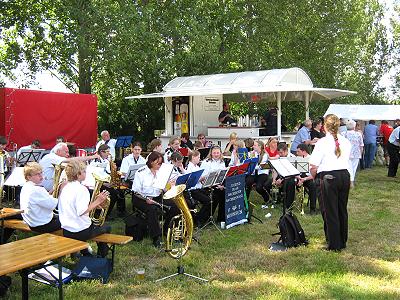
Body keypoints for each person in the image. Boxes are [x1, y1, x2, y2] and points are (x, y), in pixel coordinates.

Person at [309, 114, 351, 251]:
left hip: (328, 177)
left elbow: (313, 165)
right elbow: (348, 161)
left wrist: (314, 176)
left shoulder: (322, 142)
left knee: (329, 211)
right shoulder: (346, 141)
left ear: (324, 126)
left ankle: (334, 244)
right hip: (344, 176)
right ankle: (342, 240)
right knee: (341, 210)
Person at [58, 160, 111, 257]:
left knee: (92, 224)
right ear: (78, 174)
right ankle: (101, 255)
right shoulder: (81, 189)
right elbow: (81, 212)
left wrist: (95, 204)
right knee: (107, 227)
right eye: (84, 171)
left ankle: (85, 252)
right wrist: (98, 201)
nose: (86, 173)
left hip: (66, 230)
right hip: (79, 231)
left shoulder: (65, 187)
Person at [131, 152, 178, 247]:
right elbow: (136, 191)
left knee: (174, 206)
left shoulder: (161, 171)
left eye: (161, 163)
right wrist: (146, 199)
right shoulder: (141, 172)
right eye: (158, 163)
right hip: (141, 198)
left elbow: (163, 188)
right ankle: (156, 237)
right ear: (151, 162)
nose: (160, 165)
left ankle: (166, 230)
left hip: (157, 196)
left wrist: (170, 185)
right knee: (152, 209)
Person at [20, 162, 61, 233]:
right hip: (42, 224)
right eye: (37, 174)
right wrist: (62, 193)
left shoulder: (26, 186)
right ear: (29, 177)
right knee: (71, 218)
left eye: (41, 173)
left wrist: (49, 193)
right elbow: (53, 205)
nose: (41, 176)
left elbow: (40, 201)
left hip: (32, 221)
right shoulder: (37, 189)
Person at [90, 144, 124, 218]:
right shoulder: (94, 162)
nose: (109, 153)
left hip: (106, 182)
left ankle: (113, 212)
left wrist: (113, 178)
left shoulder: (107, 160)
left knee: (119, 192)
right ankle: (101, 214)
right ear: (101, 152)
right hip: (98, 184)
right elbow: (93, 176)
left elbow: (108, 172)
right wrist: (105, 184)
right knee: (114, 194)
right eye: (107, 152)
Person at [185, 150, 211, 226]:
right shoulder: (189, 167)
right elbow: (192, 181)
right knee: (207, 201)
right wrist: (202, 178)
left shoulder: (196, 166)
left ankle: (204, 217)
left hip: (199, 188)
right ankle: (198, 218)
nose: (199, 159)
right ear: (193, 157)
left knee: (212, 198)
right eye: (198, 157)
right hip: (193, 190)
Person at [200, 146, 226, 222]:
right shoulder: (206, 162)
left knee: (224, 193)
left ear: (220, 153)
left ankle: (221, 218)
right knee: (217, 194)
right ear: (211, 153)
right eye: (214, 153)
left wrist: (221, 185)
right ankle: (206, 217)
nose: (216, 154)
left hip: (218, 183)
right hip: (208, 185)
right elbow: (203, 178)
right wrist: (216, 185)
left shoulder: (222, 162)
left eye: (218, 153)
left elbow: (222, 175)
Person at [245, 140, 272, 205]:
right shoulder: (253, 153)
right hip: (254, 173)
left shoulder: (264, 155)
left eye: (255, 145)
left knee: (258, 187)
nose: (253, 146)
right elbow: (246, 159)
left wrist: (253, 163)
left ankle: (267, 198)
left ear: (259, 146)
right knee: (247, 182)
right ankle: (245, 201)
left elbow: (260, 166)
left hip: (262, 173)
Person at [295, 144, 317, 214]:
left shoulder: (312, 159)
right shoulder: (296, 159)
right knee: (290, 183)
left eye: (298, 151)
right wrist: (298, 178)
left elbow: (314, 175)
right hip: (299, 177)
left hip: (308, 178)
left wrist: (304, 179)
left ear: (304, 151)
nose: (297, 153)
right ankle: (291, 206)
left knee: (313, 186)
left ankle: (312, 209)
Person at [273, 143, 296, 209]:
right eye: (279, 153)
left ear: (286, 151)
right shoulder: (279, 157)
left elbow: (291, 172)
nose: (280, 154)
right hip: (281, 176)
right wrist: (274, 179)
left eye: (281, 153)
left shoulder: (292, 157)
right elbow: (275, 170)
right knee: (267, 184)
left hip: (290, 177)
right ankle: (277, 199)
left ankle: (288, 205)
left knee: (290, 183)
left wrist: (281, 179)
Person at [344, 120, 364, 187]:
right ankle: (351, 182)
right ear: (354, 126)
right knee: (354, 168)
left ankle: (350, 181)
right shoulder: (358, 134)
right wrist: (360, 153)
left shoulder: (344, 133)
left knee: (349, 168)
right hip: (356, 153)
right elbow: (361, 145)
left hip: (347, 153)